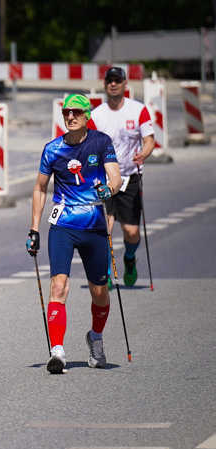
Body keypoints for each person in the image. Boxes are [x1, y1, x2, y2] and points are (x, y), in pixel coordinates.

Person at [27, 94, 121, 374]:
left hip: (94, 226)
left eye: (76, 112)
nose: (70, 116)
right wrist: (34, 229)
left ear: (87, 115)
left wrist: (110, 189)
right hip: (63, 227)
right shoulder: (52, 149)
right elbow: (40, 189)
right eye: (66, 112)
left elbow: (114, 177)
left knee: (100, 293)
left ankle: (95, 337)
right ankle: (57, 351)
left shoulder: (101, 142)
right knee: (59, 286)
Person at [88, 66, 155, 287]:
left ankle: (129, 259)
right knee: (105, 227)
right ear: (105, 84)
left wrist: (143, 154)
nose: (113, 84)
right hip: (104, 179)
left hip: (129, 176)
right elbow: (88, 145)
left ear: (125, 84)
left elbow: (149, 140)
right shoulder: (96, 115)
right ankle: (105, 273)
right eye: (110, 81)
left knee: (131, 231)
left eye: (118, 80)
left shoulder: (138, 110)